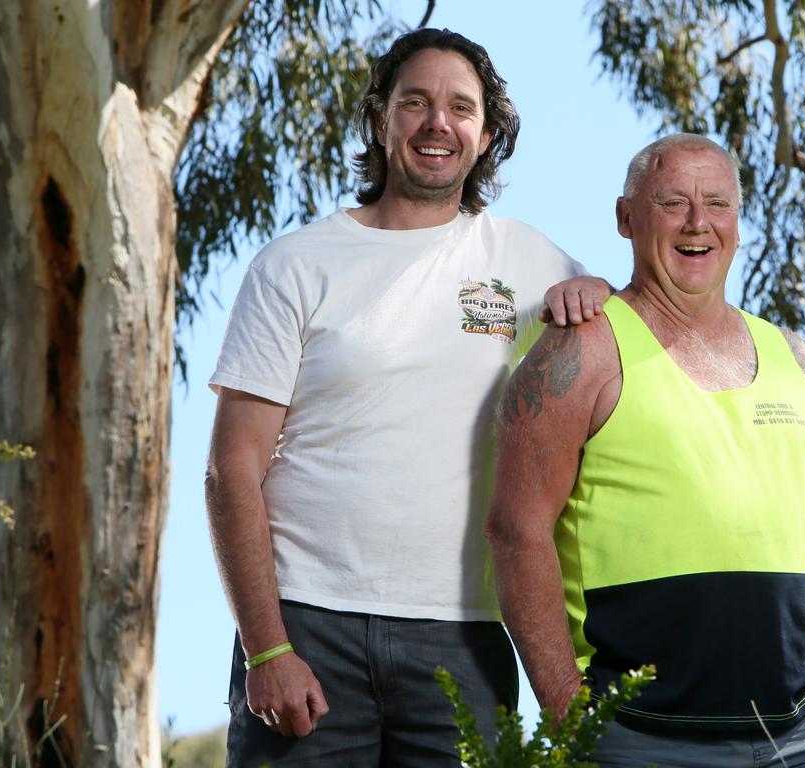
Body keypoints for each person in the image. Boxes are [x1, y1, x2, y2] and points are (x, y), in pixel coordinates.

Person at [205, 27, 608, 767]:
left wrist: (596, 293)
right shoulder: (295, 265)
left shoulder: (530, 259)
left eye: (460, 107)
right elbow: (232, 467)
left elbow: (613, 363)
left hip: (467, 634)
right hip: (309, 628)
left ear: (487, 135)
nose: (436, 123)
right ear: (381, 118)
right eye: (415, 102)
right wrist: (267, 648)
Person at [486, 133, 805, 768]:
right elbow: (514, 532)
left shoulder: (802, 365)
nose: (699, 224)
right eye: (674, 202)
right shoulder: (579, 354)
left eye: (717, 204)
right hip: (637, 739)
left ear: (739, 223)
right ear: (626, 218)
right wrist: (568, 713)